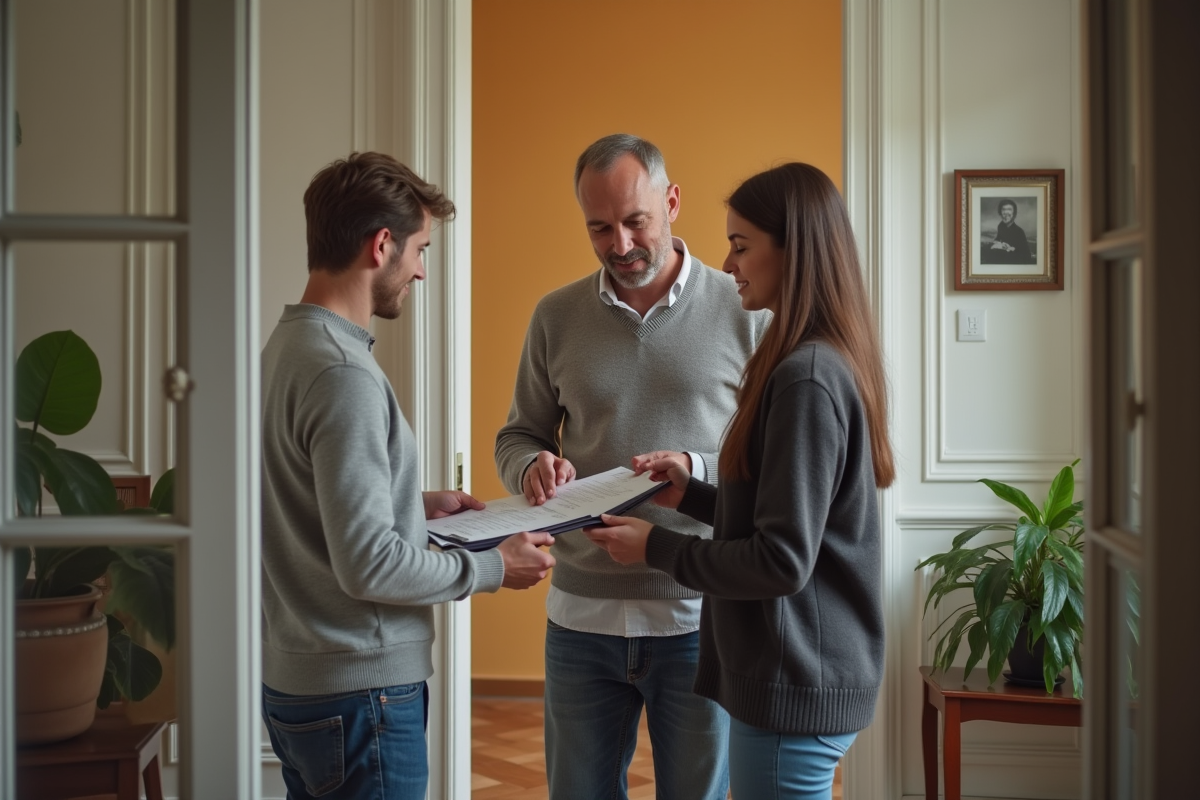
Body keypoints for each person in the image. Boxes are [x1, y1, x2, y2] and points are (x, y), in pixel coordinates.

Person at [585, 162, 894, 800]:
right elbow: (789, 514)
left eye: (742, 245)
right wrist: (692, 494)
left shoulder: (805, 377)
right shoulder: (818, 359)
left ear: (795, 248)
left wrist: (656, 547)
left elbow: (781, 561)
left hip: (793, 680)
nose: (728, 265)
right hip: (802, 673)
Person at [260, 152, 555, 800]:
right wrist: (494, 568)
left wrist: (412, 504)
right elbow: (367, 564)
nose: (421, 270)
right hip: (362, 694)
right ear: (381, 244)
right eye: (420, 249)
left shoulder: (287, 347)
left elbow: (307, 502)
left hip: (299, 683)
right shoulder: (343, 374)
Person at [494, 134, 769, 800]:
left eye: (635, 221)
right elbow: (517, 435)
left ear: (671, 203)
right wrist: (530, 467)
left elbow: (770, 460)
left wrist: (695, 467)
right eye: (599, 227)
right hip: (579, 620)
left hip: (699, 615)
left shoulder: (748, 310)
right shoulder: (555, 316)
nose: (619, 243)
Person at [981, 197, 1033, 264]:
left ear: (1014, 214)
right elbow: (999, 238)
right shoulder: (1001, 226)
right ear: (1000, 213)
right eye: (1003, 210)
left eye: (1009, 210)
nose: (1006, 214)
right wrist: (995, 243)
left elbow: (1026, 256)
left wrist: (1011, 249)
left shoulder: (1019, 232)